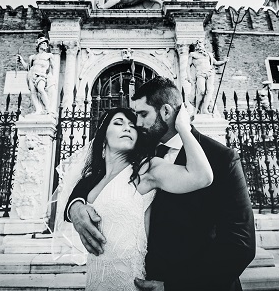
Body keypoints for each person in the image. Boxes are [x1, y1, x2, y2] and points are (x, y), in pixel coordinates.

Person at [66, 77, 255, 291]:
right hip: (136, 277)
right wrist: (76, 206)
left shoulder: (220, 158)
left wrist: (174, 287)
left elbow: (240, 245)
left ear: (166, 112)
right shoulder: (140, 148)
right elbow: (99, 176)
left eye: (143, 114)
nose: (136, 123)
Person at [59, 104, 213, 291]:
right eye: (118, 123)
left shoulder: (146, 170)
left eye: (133, 126)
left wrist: (183, 128)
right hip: (95, 282)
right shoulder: (92, 179)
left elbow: (201, 177)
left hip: (129, 283)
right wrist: (75, 206)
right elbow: (68, 200)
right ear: (103, 136)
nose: (127, 127)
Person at [188, 39, 229, 114]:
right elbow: (187, 65)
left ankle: (205, 109)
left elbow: (216, 62)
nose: (199, 45)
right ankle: (197, 109)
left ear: (204, 45)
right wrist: (188, 76)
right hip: (200, 74)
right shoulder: (193, 55)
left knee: (209, 91)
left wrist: (224, 61)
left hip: (209, 73)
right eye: (197, 44)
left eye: (200, 43)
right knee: (201, 91)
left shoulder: (208, 54)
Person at [16, 37, 54, 114]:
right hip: (31, 75)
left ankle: (48, 108)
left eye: (46, 44)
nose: (45, 45)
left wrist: (51, 79)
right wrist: (21, 60)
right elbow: (27, 67)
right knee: (33, 92)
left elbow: (53, 68)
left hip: (41, 75)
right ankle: (38, 109)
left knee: (40, 89)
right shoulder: (32, 57)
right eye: (43, 43)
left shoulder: (49, 56)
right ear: (39, 45)